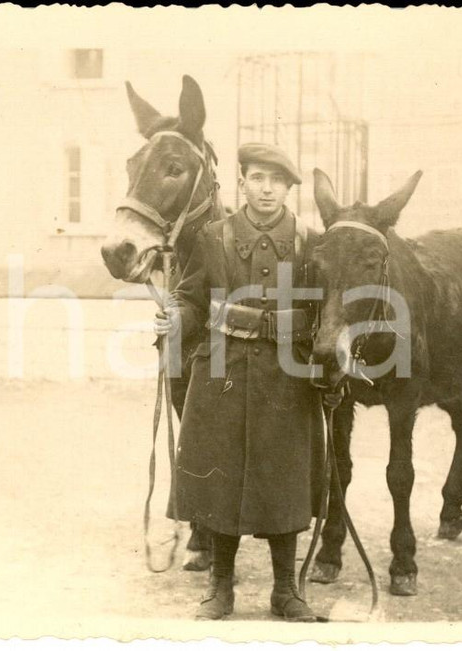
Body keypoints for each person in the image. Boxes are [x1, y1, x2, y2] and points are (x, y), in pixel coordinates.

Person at [154, 143, 323, 621]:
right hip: (222, 371)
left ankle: (286, 591)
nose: (266, 188)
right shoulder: (213, 238)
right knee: (220, 480)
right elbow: (189, 298)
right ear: (242, 181)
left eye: (277, 180)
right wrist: (176, 319)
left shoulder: (311, 243)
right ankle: (220, 589)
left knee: (285, 481)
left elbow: (327, 307)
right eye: (257, 177)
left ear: (288, 188)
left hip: (289, 375)